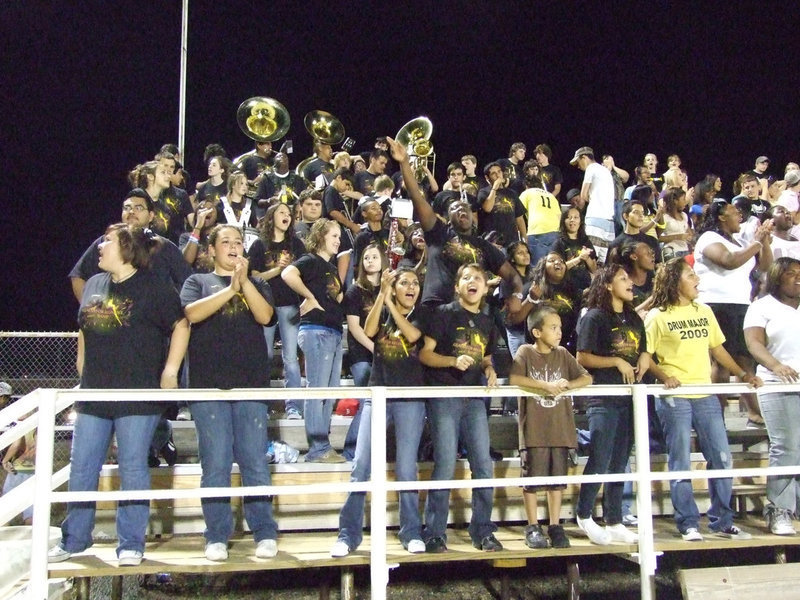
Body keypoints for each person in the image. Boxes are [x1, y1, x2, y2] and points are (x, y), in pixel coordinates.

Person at [49, 224, 188, 567]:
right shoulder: (95, 283)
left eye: (107, 241)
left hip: (137, 394)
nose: (99, 246)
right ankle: (75, 539)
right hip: (95, 393)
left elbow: (181, 324)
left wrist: (170, 371)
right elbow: (85, 324)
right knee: (82, 467)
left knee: (132, 468)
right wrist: (82, 362)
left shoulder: (155, 286)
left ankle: (130, 543)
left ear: (126, 248)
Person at [181, 224, 279, 561]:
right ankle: (216, 536)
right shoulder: (198, 282)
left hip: (250, 383)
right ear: (211, 250)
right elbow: (192, 314)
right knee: (216, 462)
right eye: (226, 242)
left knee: (254, 460)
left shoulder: (259, 283)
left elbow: (266, 316)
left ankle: (264, 532)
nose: (234, 247)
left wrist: (245, 283)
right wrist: (229, 289)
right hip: (209, 386)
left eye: (239, 242)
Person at [644, 258, 760, 541]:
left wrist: (742, 374)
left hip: (706, 393)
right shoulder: (658, 316)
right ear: (675, 282)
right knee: (680, 459)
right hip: (675, 396)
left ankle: (722, 520)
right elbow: (645, 358)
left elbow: (718, 351)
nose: (698, 280)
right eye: (691, 275)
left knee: (721, 456)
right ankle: (688, 523)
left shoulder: (705, 311)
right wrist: (664, 377)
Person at [331, 267, 427, 556]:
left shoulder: (424, 315)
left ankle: (411, 532)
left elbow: (411, 335)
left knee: (407, 469)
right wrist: (382, 297)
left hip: (410, 397)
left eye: (415, 283)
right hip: (378, 393)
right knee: (361, 465)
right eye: (404, 283)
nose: (411, 287)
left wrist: (389, 305)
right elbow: (369, 330)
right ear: (394, 287)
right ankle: (348, 535)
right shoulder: (382, 308)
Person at [420, 263, 503, 553]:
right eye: (466, 277)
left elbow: (487, 356)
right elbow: (425, 355)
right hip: (445, 396)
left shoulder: (488, 321)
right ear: (457, 287)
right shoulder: (443, 314)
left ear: (485, 287)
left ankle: (482, 529)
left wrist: (490, 369)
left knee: (483, 464)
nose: (472, 281)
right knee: (444, 464)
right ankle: (434, 532)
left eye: (478, 278)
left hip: (475, 399)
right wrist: (452, 361)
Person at [575, 266, 648, 545]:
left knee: (620, 460)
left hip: (630, 397)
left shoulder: (632, 317)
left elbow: (644, 346)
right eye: (623, 278)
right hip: (604, 397)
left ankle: (615, 518)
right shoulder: (595, 317)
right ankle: (584, 514)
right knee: (601, 457)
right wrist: (616, 361)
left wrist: (644, 356)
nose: (630, 283)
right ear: (607, 285)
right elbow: (582, 357)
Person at [510, 306, 592, 549]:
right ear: (537, 332)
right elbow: (515, 379)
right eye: (553, 327)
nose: (559, 332)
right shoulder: (525, 352)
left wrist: (568, 385)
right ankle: (533, 525)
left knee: (557, 480)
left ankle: (555, 525)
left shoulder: (564, 354)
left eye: (559, 327)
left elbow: (586, 377)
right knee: (532, 480)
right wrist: (545, 386)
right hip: (534, 429)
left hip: (560, 427)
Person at [694, 200, 772, 428]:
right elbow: (728, 261)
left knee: (745, 360)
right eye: (734, 211)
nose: (739, 215)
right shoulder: (709, 238)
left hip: (740, 306)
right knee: (722, 362)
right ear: (720, 216)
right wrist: (756, 242)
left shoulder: (739, 242)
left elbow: (765, 267)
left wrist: (763, 242)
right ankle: (716, 416)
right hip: (716, 306)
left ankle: (755, 414)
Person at [281, 219, 346, 463]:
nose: (338, 240)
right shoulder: (311, 260)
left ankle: (322, 445)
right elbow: (287, 273)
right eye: (334, 236)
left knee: (329, 393)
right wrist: (308, 297)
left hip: (332, 332)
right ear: (320, 236)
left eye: (339, 236)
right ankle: (318, 448)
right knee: (318, 391)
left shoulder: (330, 268)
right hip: (317, 332)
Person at [744, 258, 800, 535]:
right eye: (791, 274)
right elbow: (754, 343)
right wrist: (775, 365)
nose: (797, 278)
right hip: (778, 383)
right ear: (778, 278)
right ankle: (778, 510)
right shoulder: (762, 307)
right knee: (786, 447)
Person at [251, 203, 307, 418]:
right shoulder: (259, 245)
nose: (287, 216)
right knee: (262, 356)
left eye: (289, 213)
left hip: (290, 305)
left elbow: (304, 272)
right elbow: (255, 276)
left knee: (291, 358)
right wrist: (278, 269)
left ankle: (293, 406)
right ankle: (262, 406)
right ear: (271, 216)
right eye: (282, 212)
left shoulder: (296, 244)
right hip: (265, 306)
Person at [341, 243, 387, 459]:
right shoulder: (354, 291)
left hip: (384, 356)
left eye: (374, 257)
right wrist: (374, 348)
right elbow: (354, 328)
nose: (370, 261)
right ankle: (351, 449)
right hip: (361, 355)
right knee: (367, 402)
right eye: (366, 257)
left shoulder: (388, 289)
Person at [570, 146, 616, 264]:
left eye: (578, 162)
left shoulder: (591, 168)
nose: (578, 166)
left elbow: (583, 195)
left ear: (584, 157)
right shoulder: (606, 171)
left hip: (595, 218)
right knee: (603, 262)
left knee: (589, 257)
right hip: (609, 221)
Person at [551, 207, 597, 293]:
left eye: (576, 217)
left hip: (586, 287)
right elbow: (556, 269)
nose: (572, 220)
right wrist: (579, 258)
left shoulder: (585, 241)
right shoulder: (559, 243)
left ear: (580, 221)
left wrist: (587, 258)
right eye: (569, 217)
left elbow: (594, 269)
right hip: (567, 289)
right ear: (564, 221)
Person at [519, 174, 562, 264]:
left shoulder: (527, 193)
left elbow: (518, 213)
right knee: (552, 266)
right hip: (555, 233)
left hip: (537, 232)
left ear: (526, 186)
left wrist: (523, 236)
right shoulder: (551, 196)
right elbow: (559, 216)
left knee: (537, 267)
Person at [659, 187, 693, 259]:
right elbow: (658, 238)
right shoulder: (664, 217)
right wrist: (678, 237)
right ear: (675, 201)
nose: (685, 201)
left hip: (685, 250)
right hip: (672, 252)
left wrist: (690, 237)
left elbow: (689, 234)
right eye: (683, 199)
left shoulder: (684, 215)